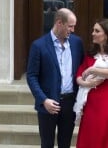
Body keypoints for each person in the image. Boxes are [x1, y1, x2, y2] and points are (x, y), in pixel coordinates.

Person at [27, 8, 84, 148]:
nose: (73, 29)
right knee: (47, 144)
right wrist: (43, 99)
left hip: (70, 103)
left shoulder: (77, 43)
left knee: (65, 144)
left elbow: (82, 69)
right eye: (70, 26)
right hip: (48, 104)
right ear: (59, 23)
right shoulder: (38, 45)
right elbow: (31, 76)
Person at [75, 19, 108, 148]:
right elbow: (79, 74)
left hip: (105, 103)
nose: (93, 33)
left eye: (97, 31)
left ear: (106, 35)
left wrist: (93, 69)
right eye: (93, 30)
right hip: (90, 104)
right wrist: (84, 83)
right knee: (89, 137)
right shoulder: (90, 55)